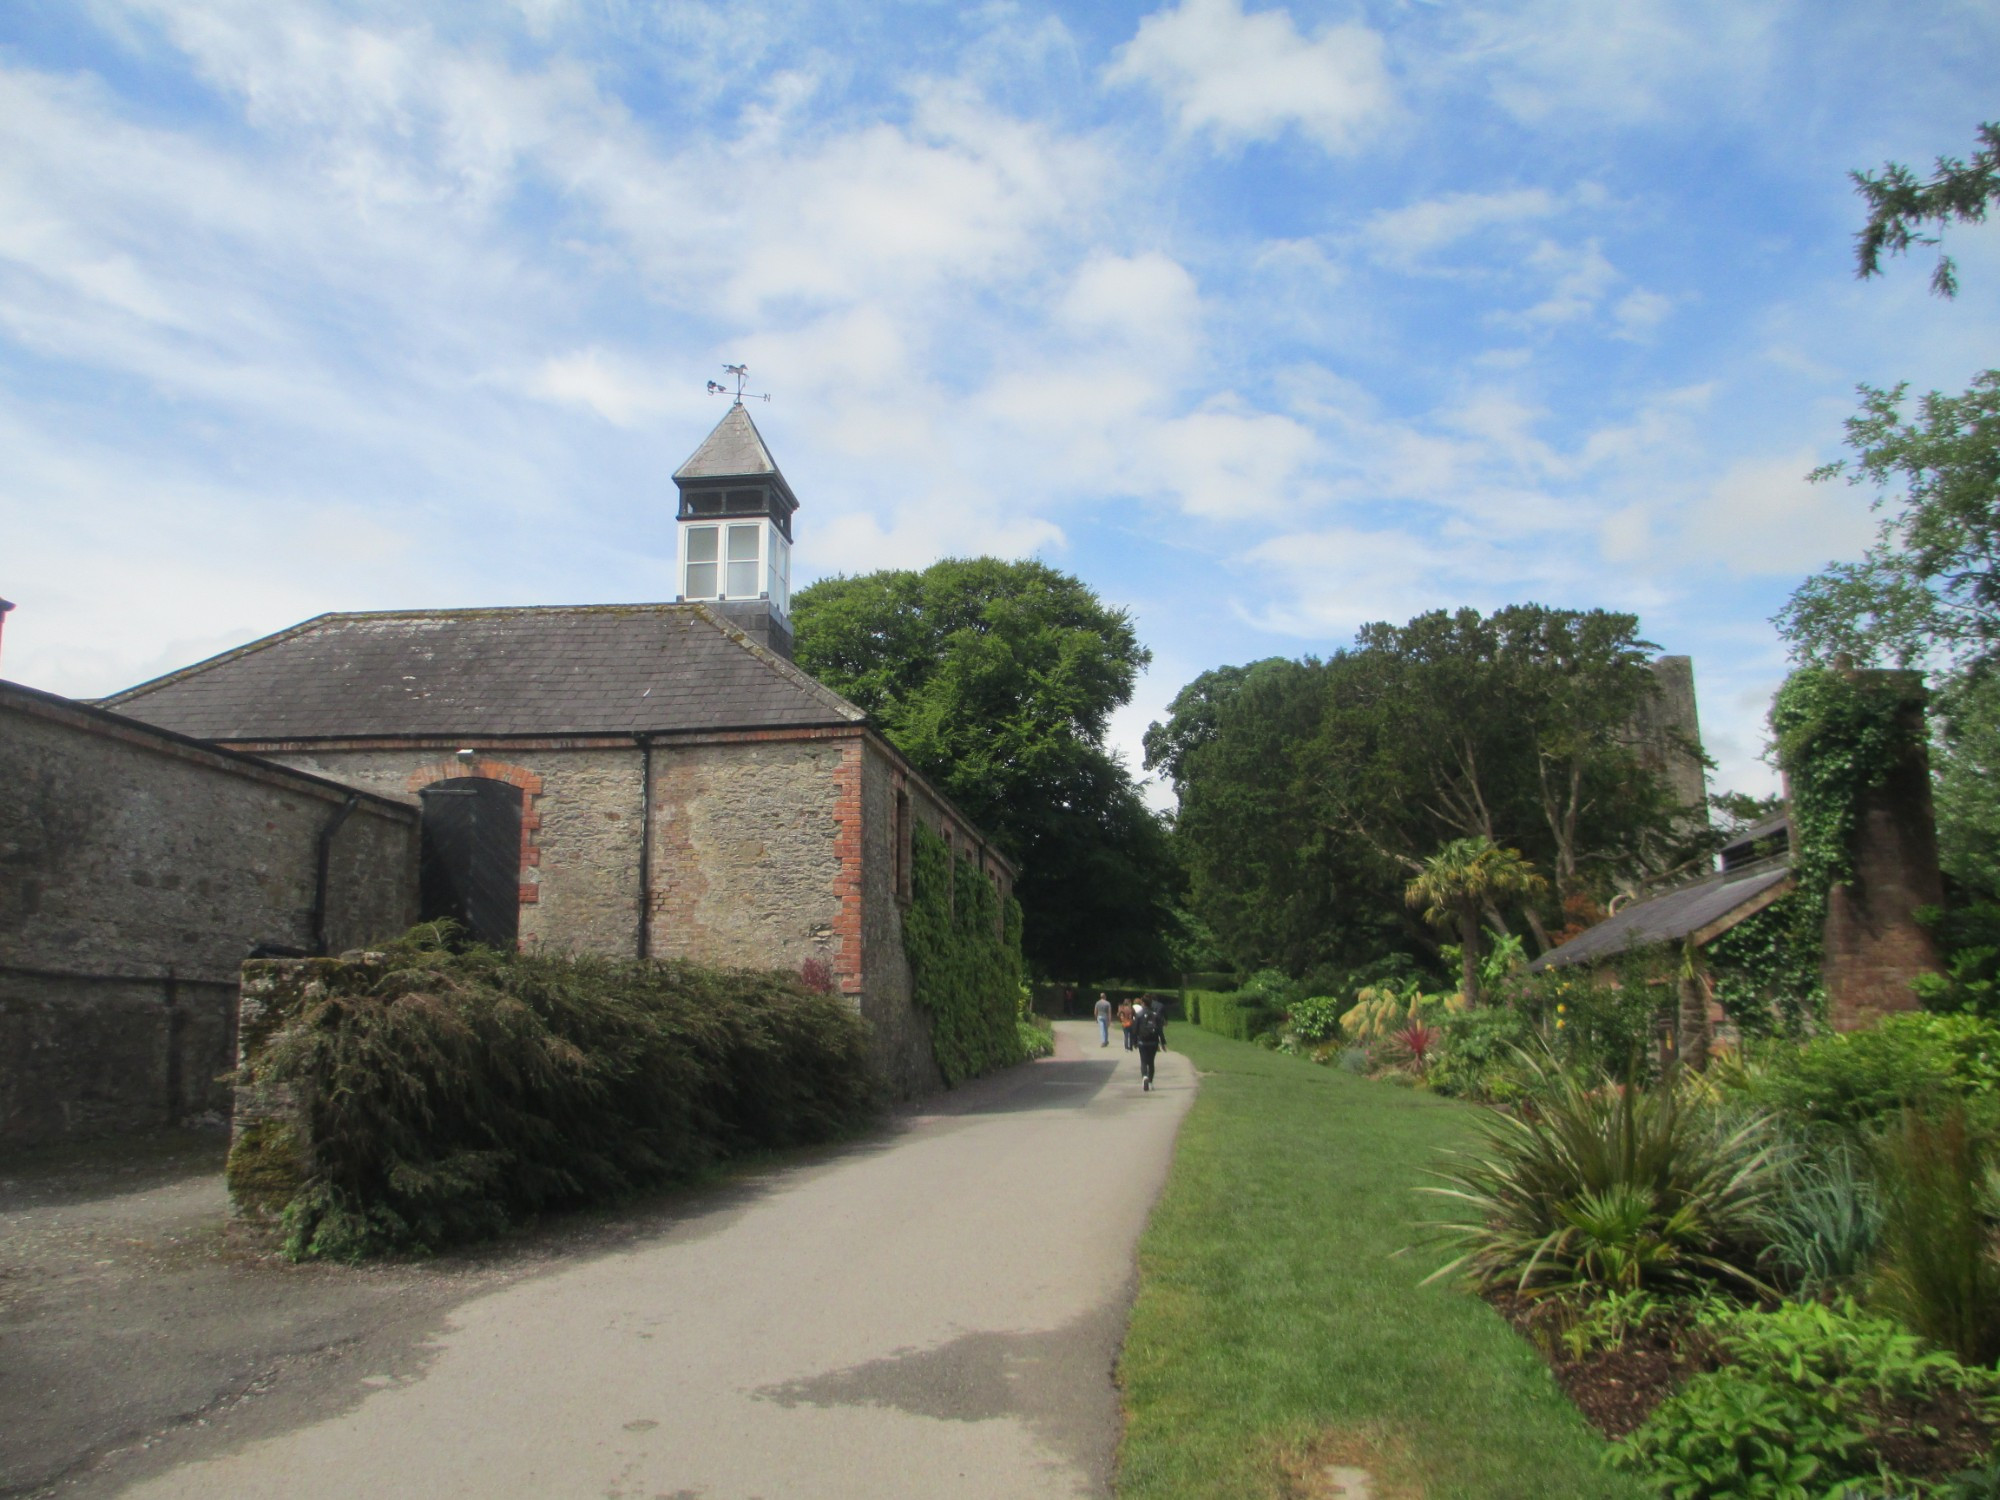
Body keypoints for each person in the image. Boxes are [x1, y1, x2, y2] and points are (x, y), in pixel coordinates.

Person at [1134, 996, 1167, 1091]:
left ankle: (1144, 1076)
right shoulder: (1155, 1015)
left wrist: (1134, 1042)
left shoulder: (1139, 1015)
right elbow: (1160, 1030)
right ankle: (1151, 1082)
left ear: (1143, 1003)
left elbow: (1135, 1029)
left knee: (1143, 1061)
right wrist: (1163, 1043)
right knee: (1151, 1062)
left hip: (1142, 1042)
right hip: (1153, 1042)